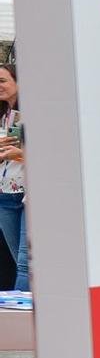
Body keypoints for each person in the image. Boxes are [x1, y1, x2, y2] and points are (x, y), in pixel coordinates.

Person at [0, 63, 29, 291]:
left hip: (28, 194)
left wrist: (20, 153)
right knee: (15, 260)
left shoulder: (33, 113)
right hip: (5, 197)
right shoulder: (4, 115)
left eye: (3, 81)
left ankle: (24, 320)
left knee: (24, 265)